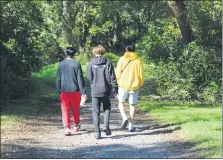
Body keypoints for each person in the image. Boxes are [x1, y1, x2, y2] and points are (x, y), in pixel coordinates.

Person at [86, 45, 118, 139]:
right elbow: (112, 77)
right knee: (107, 108)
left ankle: (97, 132)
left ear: (94, 52)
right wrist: (116, 88)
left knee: (96, 111)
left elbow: (89, 77)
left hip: (95, 90)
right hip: (106, 90)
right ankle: (106, 126)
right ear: (103, 52)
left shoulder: (90, 64)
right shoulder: (108, 63)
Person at [56, 47, 87, 136]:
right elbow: (80, 79)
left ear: (66, 54)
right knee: (75, 108)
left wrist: (59, 90)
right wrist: (83, 92)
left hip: (64, 90)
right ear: (74, 54)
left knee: (65, 109)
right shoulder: (76, 64)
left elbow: (58, 78)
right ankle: (76, 125)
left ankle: (67, 128)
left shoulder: (61, 64)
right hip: (75, 90)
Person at [115, 45, 144, 132]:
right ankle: (131, 125)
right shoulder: (138, 60)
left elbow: (118, 72)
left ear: (126, 50)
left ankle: (124, 117)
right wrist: (141, 83)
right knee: (132, 105)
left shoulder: (122, 59)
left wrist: (118, 82)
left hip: (123, 85)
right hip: (134, 85)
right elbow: (141, 73)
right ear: (134, 51)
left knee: (121, 102)